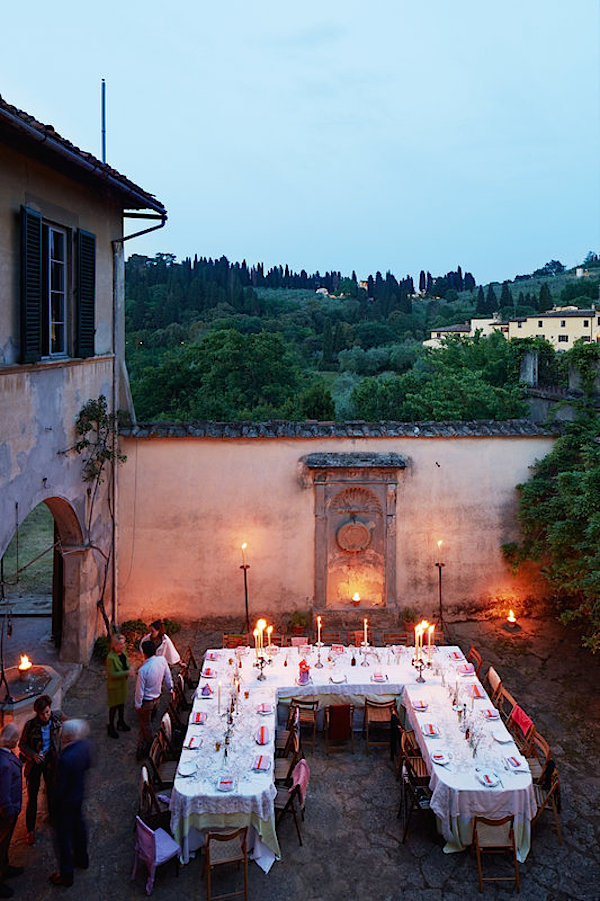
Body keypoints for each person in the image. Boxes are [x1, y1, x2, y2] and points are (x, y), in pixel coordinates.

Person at [49, 719, 93, 888]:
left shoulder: (65, 758)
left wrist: (53, 806)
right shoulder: (84, 747)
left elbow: (60, 787)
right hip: (78, 795)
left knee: (63, 839)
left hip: (65, 803)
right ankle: (82, 859)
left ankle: (66, 875)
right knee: (79, 828)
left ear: (66, 736)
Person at [19, 693, 63, 846]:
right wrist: (33, 755)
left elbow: (68, 725)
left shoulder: (56, 719)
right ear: (37, 713)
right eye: (42, 713)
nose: (46, 716)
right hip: (36, 763)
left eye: (47, 712)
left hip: (51, 760)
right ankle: (30, 829)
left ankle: (53, 817)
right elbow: (22, 745)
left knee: (52, 791)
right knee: (32, 796)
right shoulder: (30, 725)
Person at [134, 640, 173, 759]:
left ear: (144, 654)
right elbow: (168, 676)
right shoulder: (161, 660)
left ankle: (152, 747)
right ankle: (147, 743)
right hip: (157, 697)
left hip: (147, 701)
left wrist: (138, 705)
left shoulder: (143, 670)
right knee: (149, 722)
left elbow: (139, 691)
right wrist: (171, 689)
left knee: (146, 725)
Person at [0, 724, 24, 899]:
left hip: (9, 810)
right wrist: (10, 812)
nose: (18, 740)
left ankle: (5, 867)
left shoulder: (5, 756)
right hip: (6, 813)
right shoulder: (5, 764)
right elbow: (3, 794)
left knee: (4, 845)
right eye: (16, 738)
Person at [106, 633, 131, 739]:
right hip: (114, 686)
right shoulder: (110, 658)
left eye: (123, 644)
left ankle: (120, 722)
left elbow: (126, 664)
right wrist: (127, 672)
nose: (122, 646)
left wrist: (128, 669)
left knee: (121, 705)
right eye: (120, 644)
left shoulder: (124, 653)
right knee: (113, 707)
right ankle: (111, 726)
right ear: (114, 645)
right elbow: (112, 674)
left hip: (122, 685)